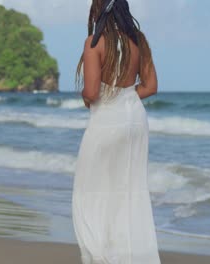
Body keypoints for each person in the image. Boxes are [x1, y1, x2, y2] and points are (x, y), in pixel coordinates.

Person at [71, 0, 161, 263]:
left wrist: (89, 98)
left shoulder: (94, 42)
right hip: (135, 120)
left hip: (107, 120)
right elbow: (151, 86)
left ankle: (101, 255)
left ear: (97, 10)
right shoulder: (139, 40)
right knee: (130, 191)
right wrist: (125, 97)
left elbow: (91, 92)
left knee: (90, 191)